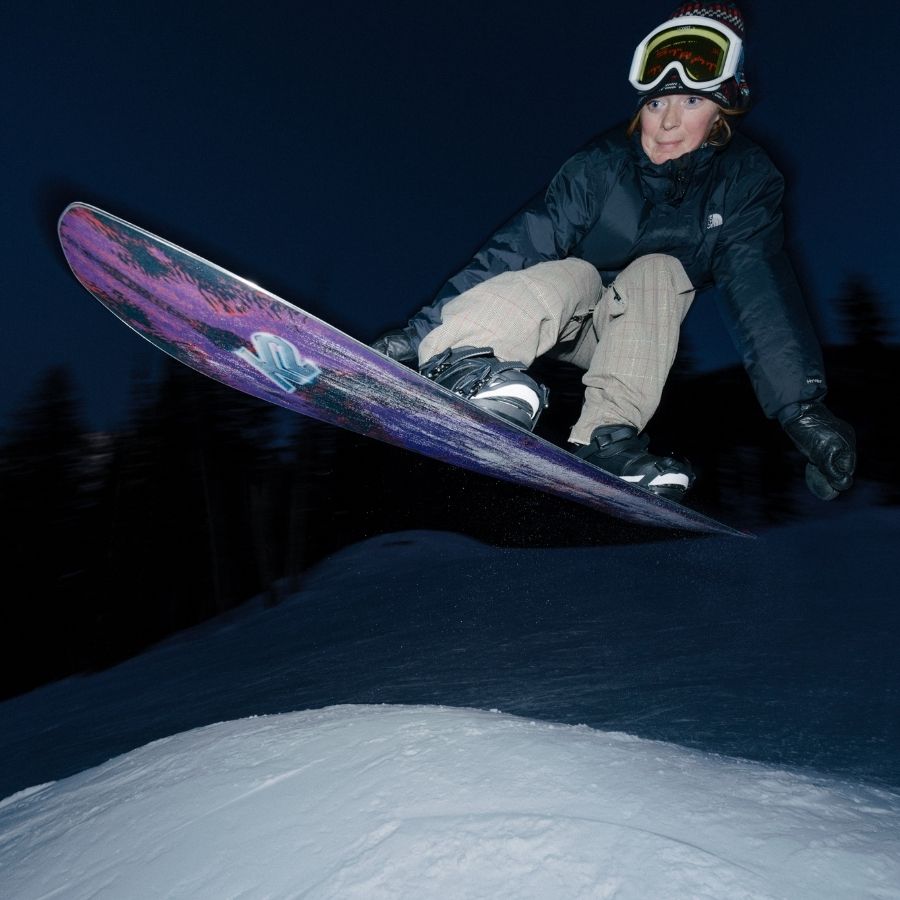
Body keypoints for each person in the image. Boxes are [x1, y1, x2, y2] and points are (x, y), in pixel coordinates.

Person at [373, 2, 856, 503]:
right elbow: (522, 245)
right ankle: (461, 358)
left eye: (690, 103)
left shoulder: (743, 182)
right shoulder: (603, 167)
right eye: (654, 104)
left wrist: (801, 408)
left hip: (626, 337)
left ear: (721, 112)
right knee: (579, 272)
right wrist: (423, 331)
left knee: (661, 272)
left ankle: (607, 438)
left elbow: (760, 291)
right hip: (555, 313)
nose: (666, 124)